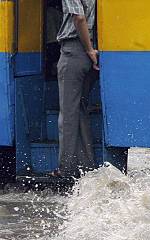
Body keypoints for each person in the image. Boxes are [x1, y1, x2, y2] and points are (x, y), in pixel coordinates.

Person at [51, 0, 99, 178]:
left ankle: (66, 168)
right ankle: (86, 165)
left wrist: (88, 50)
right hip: (91, 49)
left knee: (68, 114)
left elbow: (79, 18)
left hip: (75, 50)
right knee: (79, 110)